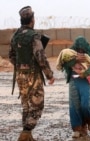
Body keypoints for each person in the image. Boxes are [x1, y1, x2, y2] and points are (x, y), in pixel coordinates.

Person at [9, 6, 55, 141]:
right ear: (32, 20)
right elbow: (40, 57)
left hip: (20, 75)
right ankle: (25, 133)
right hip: (33, 76)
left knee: (26, 106)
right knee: (37, 105)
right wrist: (49, 75)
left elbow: (11, 56)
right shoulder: (34, 36)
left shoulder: (15, 36)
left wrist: (20, 67)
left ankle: (28, 136)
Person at [60, 36, 90, 138]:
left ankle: (89, 120)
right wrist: (75, 60)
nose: (81, 51)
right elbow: (65, 63)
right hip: (74, 80)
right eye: (78, 50)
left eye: (82, 50)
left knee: (85, 104)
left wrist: (86, 73)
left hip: (86, 80)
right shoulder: (70, 52)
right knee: (74, 104)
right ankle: (77, 128)